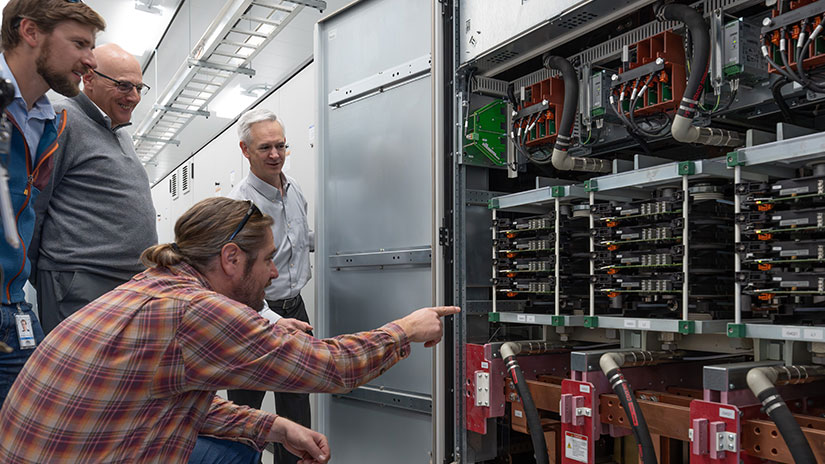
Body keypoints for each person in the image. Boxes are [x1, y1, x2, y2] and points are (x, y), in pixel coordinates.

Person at [0, 197, 459, 463]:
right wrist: (406, 329)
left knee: (238, 447)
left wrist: (274, 427)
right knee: (233, 456)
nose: (275, 274)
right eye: (267, 261)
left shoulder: (155, 287)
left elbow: (169, 407)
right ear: (231, 258)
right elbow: (331, 367)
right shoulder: (194, 310)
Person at [0, 0, 105, 408]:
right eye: (79, 43)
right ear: (30, 33)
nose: (89, 59)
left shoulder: (48, 121)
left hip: (14, 309)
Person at [29, 43, 157, 334]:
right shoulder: (63, 118)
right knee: (78, 377)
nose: (134, 97)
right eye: (124, 86)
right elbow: (34, 205)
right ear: (89, 78)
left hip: (128, 284)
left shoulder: (118, 132)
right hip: (80, 283)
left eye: (139, 87)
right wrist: (48, 273)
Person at [227, 108, 315, 463]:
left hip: (294, 306)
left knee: (297, 404)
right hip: (254, 314)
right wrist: (268, 317)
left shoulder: (293, 190)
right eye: (265, 148)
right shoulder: (240, 205)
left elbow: (300, 239)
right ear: (245, 151)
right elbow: (235, 280)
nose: (276, 154)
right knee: (247, 411)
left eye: (281, 145)